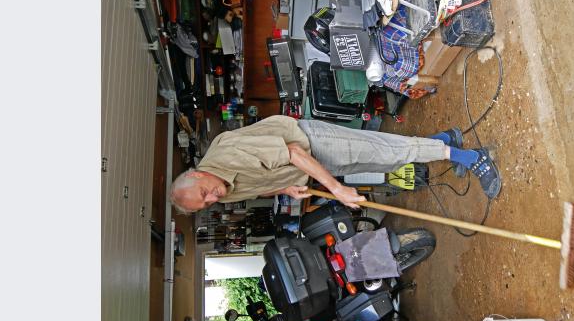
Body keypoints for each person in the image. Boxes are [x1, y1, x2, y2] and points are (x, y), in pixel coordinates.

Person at [170, 115, 501, 213]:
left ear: (198, 173)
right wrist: (284, 187)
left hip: (311, 144)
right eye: (205, 205)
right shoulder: (218, 189)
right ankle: (446, 140)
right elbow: (256, 183)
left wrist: (338, 189)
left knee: (389, 152)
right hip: (307, 167)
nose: (212, 199)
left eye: (204, 194)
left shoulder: (227, 152)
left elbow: (294, 152)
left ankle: (473, 158)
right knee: (386, 159)